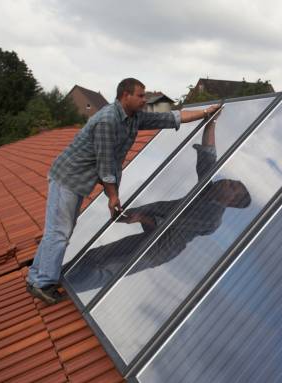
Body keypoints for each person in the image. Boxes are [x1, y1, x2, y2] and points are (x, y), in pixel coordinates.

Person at [26, 77, 220, 304]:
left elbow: (169, 117)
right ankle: (42, 282)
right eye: (140, 95)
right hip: (68, 178)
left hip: (78, 181)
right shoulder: (108, 120)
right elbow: (106, 164)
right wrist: (113, 196)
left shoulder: (133, 118)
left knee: (59, 230)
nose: (144, 99)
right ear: (124, 95)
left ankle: (36, 277)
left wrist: (206, 113)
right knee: (59, 232)